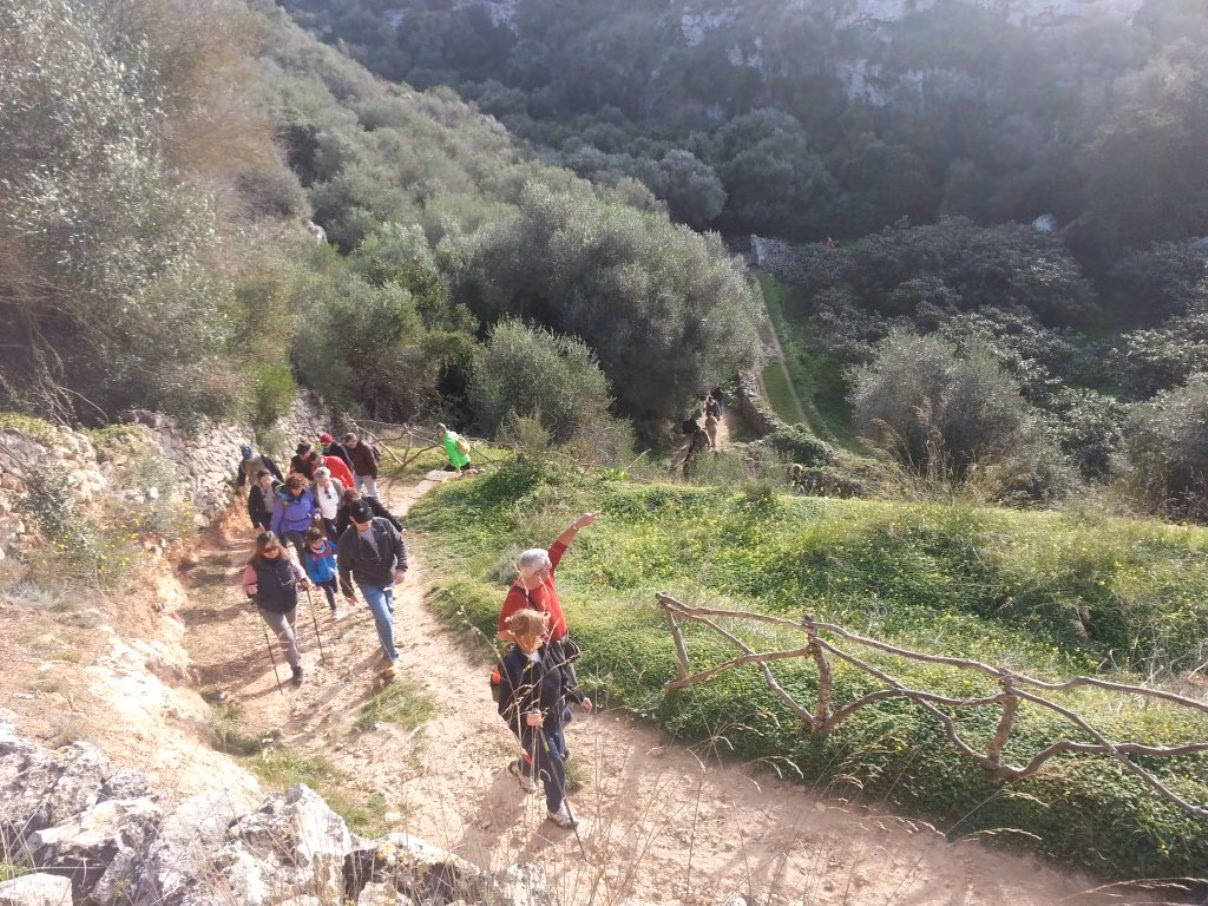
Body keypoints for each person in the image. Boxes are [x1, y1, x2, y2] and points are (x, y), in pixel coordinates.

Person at [497, 608, 590, 828]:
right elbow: (505, 707)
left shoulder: (548, 650)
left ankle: (523, 769)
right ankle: (555, 809)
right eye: (541, 632)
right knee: (555, 766)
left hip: (555, 719)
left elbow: (563, 678)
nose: (546, 635)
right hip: (533, 729)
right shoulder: (510, 665)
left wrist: (579, 697)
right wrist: (525, 717)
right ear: (525, 636)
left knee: (560, 755)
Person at [498, 513, 596, 696]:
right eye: (547, 566)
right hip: (545, 655)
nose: (551, 566)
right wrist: (532, 642)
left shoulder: (544, 575)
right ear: (537, 573)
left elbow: (558, 547)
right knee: (556, 694)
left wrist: (577, 525)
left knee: (569, 689)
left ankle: (567, 705)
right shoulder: (517, 597)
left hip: (561, 646)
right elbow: (503, 633)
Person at [337, 499, 408, 676]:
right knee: (383, 617)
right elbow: (343, 568)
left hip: (388, 577)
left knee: (388, 613)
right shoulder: (346, 541)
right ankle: (391, 657)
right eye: (362, 522)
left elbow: (399, 544)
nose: (367, 524)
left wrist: (401, 567)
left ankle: (386, 641)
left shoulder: (384, 524)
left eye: (368, 520)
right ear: (352, 519)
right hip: (367, 582)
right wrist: (348, 591)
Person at [242, 531, 307, 685]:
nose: (271, 552)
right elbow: (246, 585)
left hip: (290, 600)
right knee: (286, 636)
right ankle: (296, 667)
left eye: (274, 548)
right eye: (266, 550)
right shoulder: (254, 566)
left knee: (292, 630)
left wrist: (304, 579)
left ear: (278, 546)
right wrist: (250, 590)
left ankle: (293, 654)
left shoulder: (287, 557)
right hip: (269, 606)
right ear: (260, 550)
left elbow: (299, 570)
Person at [270, 474, 318, 562]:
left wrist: (315, 514)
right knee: (301, 546)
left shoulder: (307, 492)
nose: (297, 491)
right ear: (289, 488)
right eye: (294, 489)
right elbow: (277, 516)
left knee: (310, 545)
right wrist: (273, 532)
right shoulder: (282, 498)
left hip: (305, 524)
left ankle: (313, 564)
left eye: (299, 488)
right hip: (289, 526)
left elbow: (310, 505)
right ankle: (305, 567)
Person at [302, 527, 342, 619]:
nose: (318, 544)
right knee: (330, 592)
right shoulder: (309, 554)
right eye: (315, 543)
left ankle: (331, 598)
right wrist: (317, 581)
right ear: (310, 543)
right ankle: (334, 610)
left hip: (332, 573)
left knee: (335, 590)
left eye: (319, 541)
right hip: (321, 578)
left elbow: (338, 549)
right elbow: (311, 569)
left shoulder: (328, 545)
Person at [335, 487, 401, 539]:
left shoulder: (370, 500)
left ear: (360, 497)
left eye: (359, 502)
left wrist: (399, 527)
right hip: (361, 535)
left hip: (378, 529)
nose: (358, 505)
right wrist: (341, 545)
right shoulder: (344, 511)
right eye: (354, 505)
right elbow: (341, 529)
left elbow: (384, 513)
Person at [311, 467, 345, 540]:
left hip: (338, 514)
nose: (325, 483)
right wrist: (316, 512)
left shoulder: (336, 483)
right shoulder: (313, 489)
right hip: (325, 517)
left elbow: (342, 498)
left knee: (341, 533)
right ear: (317, 481)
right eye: (321, 482)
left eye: (326, 480)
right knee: (335, 536)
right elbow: (313, 503)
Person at [343, 433, 381, 498]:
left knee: (373, 492)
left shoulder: (365, 447)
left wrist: (374, 475)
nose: (351, 445)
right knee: (355, 492)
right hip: (357, 473)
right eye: (349, 445)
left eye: (353, 442)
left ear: (355, 440)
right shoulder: (347, 447)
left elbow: (372, 462)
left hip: (368, 473)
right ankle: (358, 503)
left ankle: (377, 504)